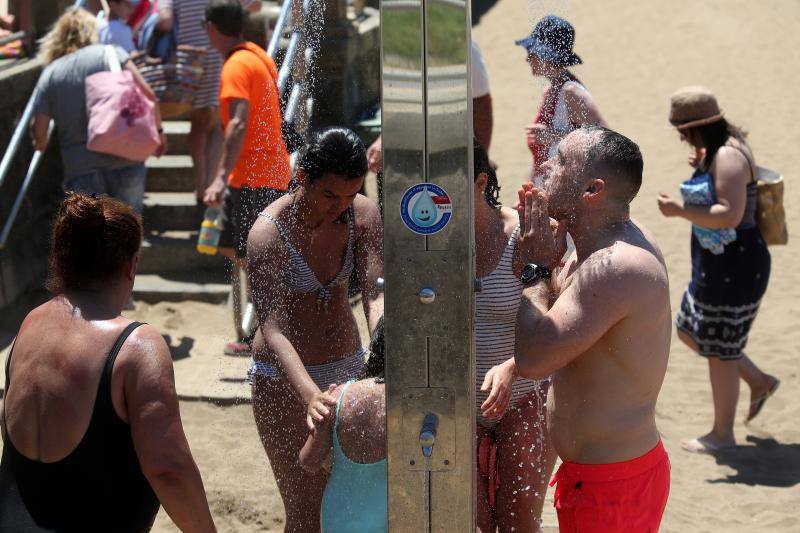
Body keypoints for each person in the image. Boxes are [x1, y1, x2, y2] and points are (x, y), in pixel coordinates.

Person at [0, 193, 215, 532]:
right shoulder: (137, 346)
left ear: (61, 257)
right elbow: (168, 468)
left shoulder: (29, 325)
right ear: (131, 265)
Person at [515, 127, 671, 531]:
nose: (545, 164)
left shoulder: (616, 266)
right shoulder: (593, 247)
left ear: (592, 189)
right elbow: (575, 332)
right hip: (602, 478)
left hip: (612, 486)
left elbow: (535, 357)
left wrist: (533, 270)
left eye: (561, 160)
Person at [247, 127, 384, 532]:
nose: (340, 206)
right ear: (302, 177)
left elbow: (376, 295)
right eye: (329, 196)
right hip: (285, 381)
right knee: (306, 513)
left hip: (348, 366)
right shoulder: (268, 234)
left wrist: (382, 352)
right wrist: (310, 395)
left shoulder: (363, 213)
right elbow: (272, 329)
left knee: (350, 503)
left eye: (350, 195)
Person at [657, 87, 779, 453]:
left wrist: (679, 210)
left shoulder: (727, 156)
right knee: (693, 331)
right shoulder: (723, 148)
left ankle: (722, 435)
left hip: (735, 265)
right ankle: (758, 381)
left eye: (683, 132)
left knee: (720, 349)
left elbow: (729, 213)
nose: (682, 139)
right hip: (723, 262)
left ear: (697, 128)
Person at [199, 0, 293, 355]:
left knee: (254, 256)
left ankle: (261, 331)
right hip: (264, 173)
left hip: (252, 176)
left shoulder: (237, 64)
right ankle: (261, 323)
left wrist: (220, 176)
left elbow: (237, 121)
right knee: (234, 248)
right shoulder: (255, 57)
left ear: (211, 28)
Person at [472, 141, 555, 532]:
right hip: (460, 401)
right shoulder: (428, 240)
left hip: (525, 395)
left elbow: (558, 329)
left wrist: (513, 368)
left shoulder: (525, 234)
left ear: (480, 181)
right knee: (473, 522)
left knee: (518, 522)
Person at [32, 7, 166, 213]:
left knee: (88, 240)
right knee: (127, 232)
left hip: (80, 168)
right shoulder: (111, 53)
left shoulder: (51, 73)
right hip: (125, 157)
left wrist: (39, 143)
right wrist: (158, 132)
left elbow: (39, 131)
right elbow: (148, 94)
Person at [157, 0, 260, 203]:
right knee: (218, 124)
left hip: (189, 59)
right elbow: (255, 5)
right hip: (219, 53)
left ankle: (201, 185)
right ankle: (212, 185)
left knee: (198, 123)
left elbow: (165, 21)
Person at [299, 316, 386, 533]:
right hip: (390, 517)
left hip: (339, 519)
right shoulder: (411, 407)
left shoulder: (338, 397)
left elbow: (309, 461)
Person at [366, 38, 494, 173]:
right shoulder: (398, 46)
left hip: (454, 161)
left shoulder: (462, 46)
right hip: (408, 160)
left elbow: (482, 106)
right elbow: (403, 106)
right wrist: (384, 139)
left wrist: (480, 164)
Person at [516, 15, 607, 181]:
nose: (527, 59)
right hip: (546, 193)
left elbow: (606, 141)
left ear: (546, 55)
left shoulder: (572, 92)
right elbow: (540, 157)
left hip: (567, 197)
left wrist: (556, 136)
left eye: (531, 52)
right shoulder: (550, 91)